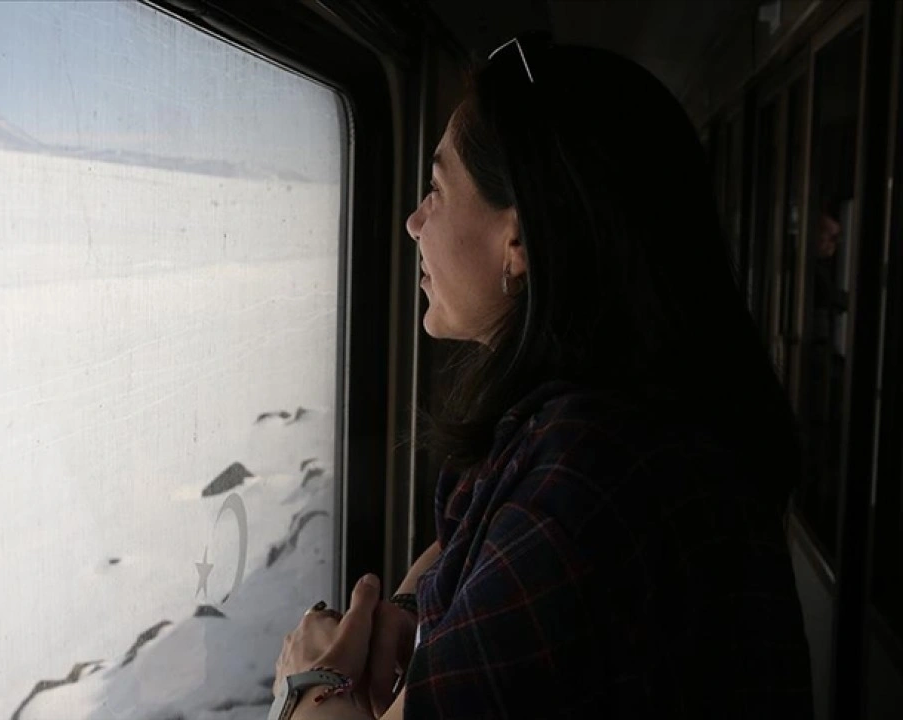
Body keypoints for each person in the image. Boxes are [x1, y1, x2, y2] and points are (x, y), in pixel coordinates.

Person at [269, 34, 813, 720]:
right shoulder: (615, 421)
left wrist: (309, 683)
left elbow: (543, 531)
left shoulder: (591, 477)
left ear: (518, 240)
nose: (413, 222)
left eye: (435, 190)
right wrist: (409, 606)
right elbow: (480, 537)